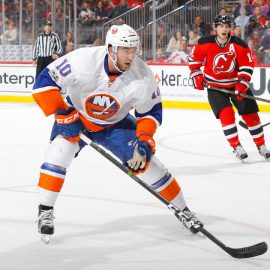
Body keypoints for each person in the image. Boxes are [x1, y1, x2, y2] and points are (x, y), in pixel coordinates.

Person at [32, 24, 203, 241]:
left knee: (148, 163)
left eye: (134, 50)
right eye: (125, 50)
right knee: (58, 153)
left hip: (116, 124)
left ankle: (184, 211)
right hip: (79, 117)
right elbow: (44, 82)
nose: (131, 55)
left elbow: (150, 113)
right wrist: (62, 113)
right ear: (111, 49)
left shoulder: (143, 76)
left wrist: (144, 140)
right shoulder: (83, 60)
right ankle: (45, 211)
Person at [189, 15, 270, 160]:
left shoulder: (240, 44)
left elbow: (247, 66)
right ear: (215, 28)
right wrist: (197, 76)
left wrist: (242, 84)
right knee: (226, 115)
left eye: (227, 26)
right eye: (221, 26)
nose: (224, 29)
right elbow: (194, 61)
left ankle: (261, 146)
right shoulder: (204, 43)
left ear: (230, 28)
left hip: (236, 85)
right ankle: (236, 146)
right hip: (215, 87)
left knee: (250, 115)